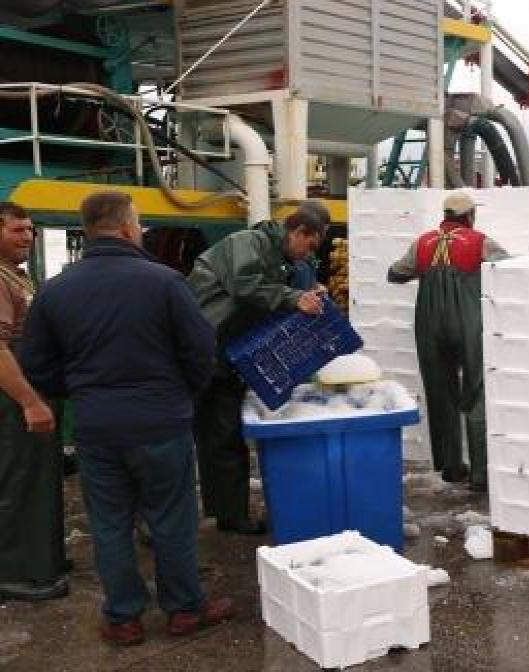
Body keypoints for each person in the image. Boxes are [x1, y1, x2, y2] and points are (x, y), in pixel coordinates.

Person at [21, 191, 235, 645]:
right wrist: (181, 394)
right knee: (171, 519)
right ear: (126, 227)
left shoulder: (56, 289)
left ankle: (123, 618)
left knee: (111, 523)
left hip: (97, 426)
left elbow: (37, 363)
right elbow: (200, 350)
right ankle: (184, 610)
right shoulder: (165, 282)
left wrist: (79, 391)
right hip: (161, 421)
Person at [188, 200, 330, 534]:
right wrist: (293, 297)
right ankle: (173, 518)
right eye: (308, 245)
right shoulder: (246, 243)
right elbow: (244, 285)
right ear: (297, 231)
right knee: (197, 434)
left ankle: (229, 511)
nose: (307, 254)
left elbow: (272, 297)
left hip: (230, 352)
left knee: (224, 432)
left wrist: (307, 294)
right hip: (203, 347)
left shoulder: (284, 259)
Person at [388, 192, 508, 491]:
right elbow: (509, 268)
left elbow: (394, 274)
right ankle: (480, 475)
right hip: (468, 324)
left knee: (441, 393)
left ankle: (452, 468)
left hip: (429, 326)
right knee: (476, 391)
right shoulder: (480, 241)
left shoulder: (423, 243)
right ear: (469, 216)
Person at [0, 202, 64, 602]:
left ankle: (42, 557)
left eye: (31, 230)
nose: (28, 237)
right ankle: (16, 572)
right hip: (13, 397)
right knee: (18, 483)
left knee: (38, 482)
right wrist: (29, 402)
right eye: (18, 230)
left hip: (30, 389)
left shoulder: (17, 276)